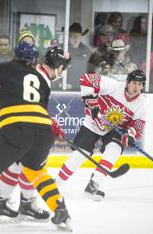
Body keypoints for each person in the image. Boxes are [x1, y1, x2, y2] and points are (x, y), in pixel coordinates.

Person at [0, 43, 72, 234]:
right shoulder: (40, 79)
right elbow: (37, 109)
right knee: (37, 172)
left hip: (16, 130)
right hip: (43, 132)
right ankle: (61, 211)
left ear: (14, 55)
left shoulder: (4, 68)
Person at [55, 69, 147, 200]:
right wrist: (92, 103)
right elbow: (86, 79)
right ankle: (55, 184)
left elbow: (138, 124)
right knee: (80, 155)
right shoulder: (114, 86)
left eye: (140, 84)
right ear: (127, 82)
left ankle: (93, 185)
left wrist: (131, 135)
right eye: (134, 83)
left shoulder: (141, 103)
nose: (136, 87)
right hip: (93, 122)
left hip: (114, 129)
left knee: (114, 149)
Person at [67, 22, 92, 90]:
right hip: (66, 89)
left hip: (83, 88)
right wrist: (61, 84)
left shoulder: (87, 51)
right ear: (69, 36)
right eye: (73, 35)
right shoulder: (63, 50)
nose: (76, 38)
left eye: (78, 36)